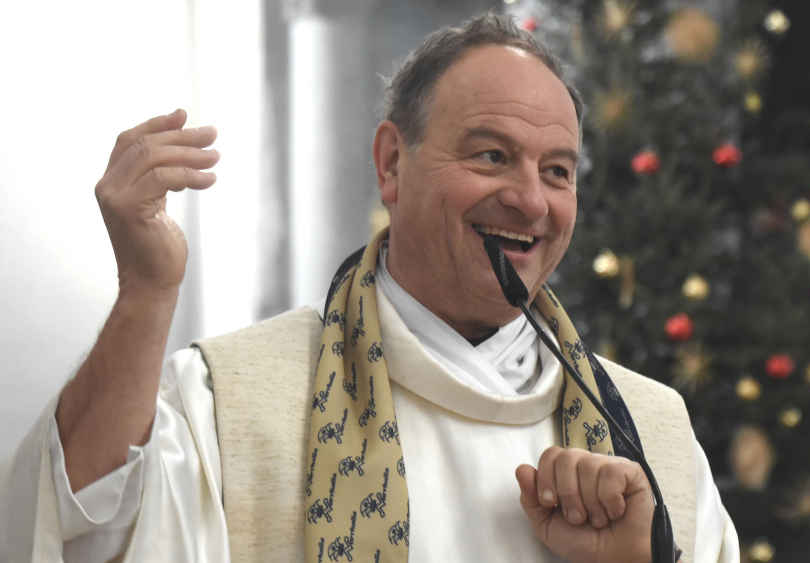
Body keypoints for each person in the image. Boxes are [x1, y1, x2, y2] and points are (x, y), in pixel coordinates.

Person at [1, 13, 737, 563]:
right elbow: (78, 532)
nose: (531, 202)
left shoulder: (650, 432)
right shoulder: (235, 402)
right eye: (492, 155)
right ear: (392, 164)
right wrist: (146, 294)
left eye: (557, 171)